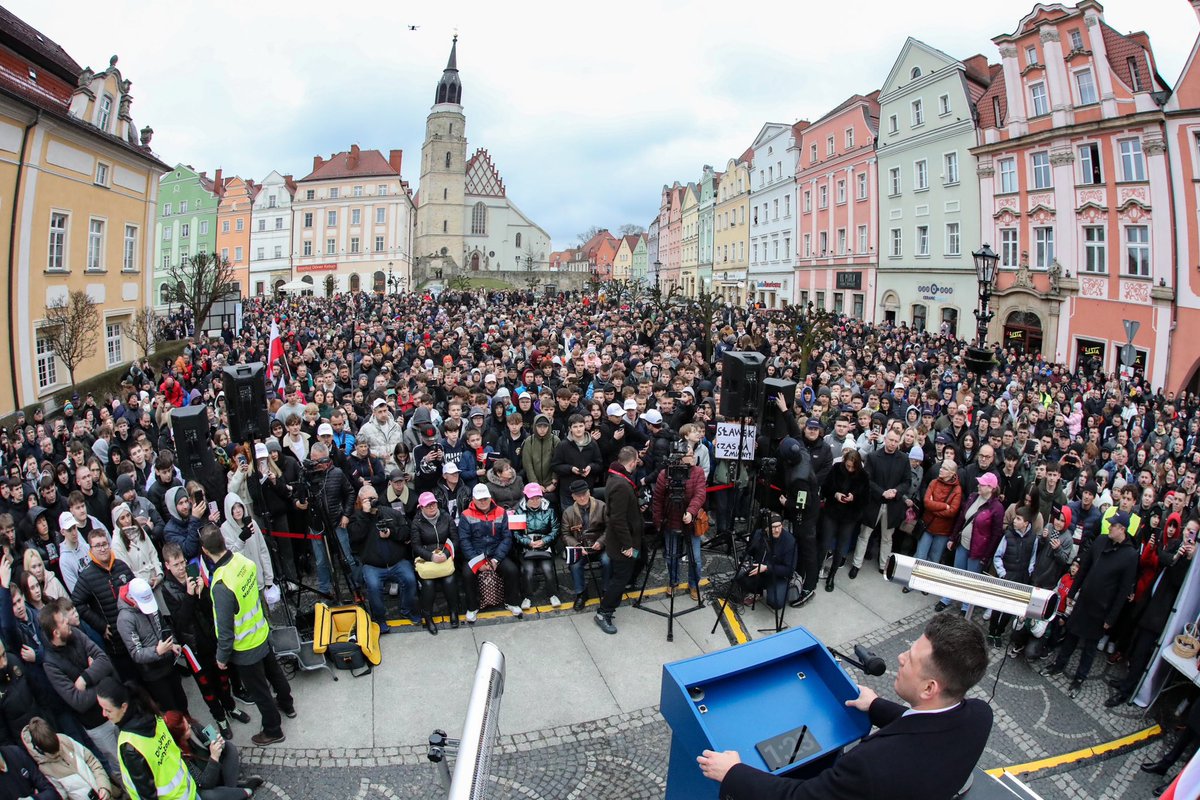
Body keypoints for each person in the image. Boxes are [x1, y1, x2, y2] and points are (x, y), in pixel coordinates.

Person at [698, 613, 992, 800]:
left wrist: (734, 772)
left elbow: (800, 797)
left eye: (911, 659)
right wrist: (875, 705)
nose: (901, 658)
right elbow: (927, 725)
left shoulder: (872, 765)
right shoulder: (979, 717)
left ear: (930, 688)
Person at [202, 527, 294, 747]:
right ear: (224, 541)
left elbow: (225, 630)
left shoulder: (221, 584)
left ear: (205, 551)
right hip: (261, 632)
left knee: (260, 692)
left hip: (245, 647)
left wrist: (222, 658)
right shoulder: (243, 562)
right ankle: (287, 704)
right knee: (275, 675)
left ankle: (273, 729)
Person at [1043, 510, 1138, 697]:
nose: (1109, 527)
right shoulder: (1101, 540)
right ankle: (1059, 664)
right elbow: (1084, 567)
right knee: (1070, 635)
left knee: (1089, 648)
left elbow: (1123, 591)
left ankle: (1079, 678)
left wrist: (1111, 618)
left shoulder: (1130, 555)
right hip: (1083, 601)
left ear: (1122, 529)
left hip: (1101, 610)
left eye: (1113, 525)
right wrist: (1072, 592)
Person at [40, 598, 121, 779]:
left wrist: (85, 678)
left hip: (116, 708)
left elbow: (104, 660)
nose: (68, 621)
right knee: (122, 769)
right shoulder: (50, 664)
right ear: (55, 632)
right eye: (62, 621)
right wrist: (99, 676)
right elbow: (78, 701)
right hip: (97, 724)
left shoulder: (74, 634)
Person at [96, 678, 198, 800]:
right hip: (189, 789)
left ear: (124, 707)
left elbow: (147, 794)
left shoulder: (129, 745)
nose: (103, 714)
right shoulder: (152, 714)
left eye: (108, 710)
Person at [347, 486, 419, 633]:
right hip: (372, 565)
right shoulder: (356, 518)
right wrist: (366, 515)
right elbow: (355, 538)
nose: (372, 502)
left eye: (374, 498)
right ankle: (380, 617)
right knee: (373, 587)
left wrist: (391, 533)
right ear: (360, 501)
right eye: (368, 499)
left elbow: (406, 532)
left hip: (397, 561)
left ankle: (407, 609)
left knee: (410, 579)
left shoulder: (390, 512)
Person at [115, 578, 189, 715]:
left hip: (169, 664)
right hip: (154, 674)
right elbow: (136, 653)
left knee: (182, 702)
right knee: (171, 711)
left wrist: (171, 643)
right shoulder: (124, 619)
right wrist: (157, 651)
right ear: (132, 598)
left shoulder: (148, 599)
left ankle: (192, 727)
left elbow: (163, 626)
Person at [935, 472, 1004, 614]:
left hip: (978, 550)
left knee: (971, 579)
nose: (979, 485)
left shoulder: (997, 508)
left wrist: (986, 556)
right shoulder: (973, 497)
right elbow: (962, 519)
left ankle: (966, 606)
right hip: (963, 544)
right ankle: (947, 598)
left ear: (991, 488)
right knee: (957, 572)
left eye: (982, 484)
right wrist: (953, 538)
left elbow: (996, 535)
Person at [595, 447, 643, 635]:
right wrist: (628, 546)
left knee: (639, 561)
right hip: (624, 545)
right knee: (620, 578)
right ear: (632, 462)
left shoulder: (617, 478)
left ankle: (626, 584)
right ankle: (603, 612)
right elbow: (618, 519)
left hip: (633, 541)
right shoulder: (622, 485)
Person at [850, 429, 911, 578]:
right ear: (885, 439)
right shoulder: (873, 456)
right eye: (891, 440)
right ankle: (856, 564)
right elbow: (867, 480)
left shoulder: (903, 459)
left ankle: (884, 565)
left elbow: (907, 481)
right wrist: (882, 492)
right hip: (874, 503)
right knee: (864, 535)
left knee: (887, 538)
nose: (893, 444)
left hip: (893, 505)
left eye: (896, 441)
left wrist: (896, 491)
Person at [162, 710, 261, 799]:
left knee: (229, 748)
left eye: (186, 722)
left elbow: (217, 744)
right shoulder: (179, 756)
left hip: (219, 769)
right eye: (186, 729)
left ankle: (232, 791)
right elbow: (204, 784)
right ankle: (243, 791)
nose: (189, 726)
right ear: (178, 737)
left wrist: (219, 743)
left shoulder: (193, 727)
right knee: (207, 795)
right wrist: (214, 758)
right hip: (208, 781)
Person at [651, 442, 706, 602]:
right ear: (680, 458)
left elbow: (700, 494)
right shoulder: (664, 474)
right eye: (690, 454)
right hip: (671, 520)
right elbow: (658, 499)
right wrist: (658, 521)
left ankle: (693, 584)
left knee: (695, 558)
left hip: (691, 521)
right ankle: (673, 581)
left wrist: (690, 511)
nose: (694, 456)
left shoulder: (698, 472)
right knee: (671, 556)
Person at [21, 715, 115, 800]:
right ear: (40, 749)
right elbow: (62, 797)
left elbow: (92, 761)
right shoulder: (45, 769)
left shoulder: (64, 740)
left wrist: (104, 787)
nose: (57, 753)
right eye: (53, 753)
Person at [409, 493, 460, 631]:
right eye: (427, 505)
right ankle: (428, 616)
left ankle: (454, 612)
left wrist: (446, 553)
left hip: (444, 556)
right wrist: (431, 557)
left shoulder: (446, 517)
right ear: (421, 507)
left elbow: (455, 539)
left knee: (450, 581)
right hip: (427, 559)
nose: (431, 507)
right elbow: (416, 546)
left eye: (433, 503)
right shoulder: (416, 522)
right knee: (428, 584)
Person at [560, 479, 607, 611]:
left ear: (589, 492)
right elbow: (565, 534)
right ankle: (581, 593)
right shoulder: (568, 512)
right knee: (574, 565)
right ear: (573, 496)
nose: (582, 498)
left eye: (584, 494)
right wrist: (576, 546)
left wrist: (601, 542)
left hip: (600, 546)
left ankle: (606, 590)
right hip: (581, 548)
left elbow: (609, 528)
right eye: (578, 495)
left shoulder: (601, 506)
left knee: (607, 561)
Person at [513, 484, 561, 609]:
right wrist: (527, 542)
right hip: (527, 546)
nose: (535, 501)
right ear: (526, 497)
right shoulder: (518, 510)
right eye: (532, 498)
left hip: (545, 546)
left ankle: (553, 595)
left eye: (538, 498)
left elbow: (555, 529)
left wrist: (545, 540)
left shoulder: (550, 509)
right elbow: (516, 533)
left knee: (547, 569)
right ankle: (527, 597)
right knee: (527, 570)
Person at [736, 514, 796, 609]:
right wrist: (743, 562)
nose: (777, 530)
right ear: (766, 528)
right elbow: (749, 551)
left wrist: (767, 568)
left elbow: (789, 570)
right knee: (739, 576)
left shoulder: (789, 541)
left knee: (776, 603)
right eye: (773, 527)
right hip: (759, 570)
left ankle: (782, 589)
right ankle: (757, 592)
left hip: (778, 575)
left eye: (779, 526)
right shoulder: (758, 534)